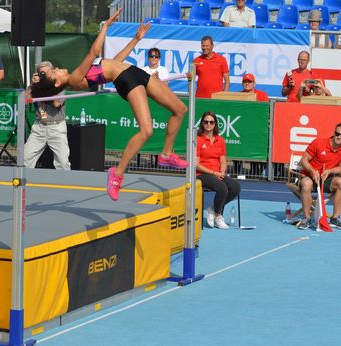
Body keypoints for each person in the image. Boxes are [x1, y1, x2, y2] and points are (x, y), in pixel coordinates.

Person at [30, 9, 188, 201]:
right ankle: (117, 173)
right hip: (127, 80)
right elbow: (94, 51)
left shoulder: (81, 73)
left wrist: (136, 39)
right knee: (146, 131)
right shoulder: (75, 77)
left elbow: (116, 62)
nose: (57, 68)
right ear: (57, 83)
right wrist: (105, 27)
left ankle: (166, 154)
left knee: (180, 109)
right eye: (55, 72)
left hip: (134, 72)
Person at [196, 111, 241, 229]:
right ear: (202, 124)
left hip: (217, 173)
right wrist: (213, 173)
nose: (208, 124)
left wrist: (222, 172)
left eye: (211, 122)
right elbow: (196, 164)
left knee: (235, 187)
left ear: (215, 124)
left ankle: (213, 209)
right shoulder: (198, 140)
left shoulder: (220, 140)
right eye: (206, 122)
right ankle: (218, 215)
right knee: (222, 188)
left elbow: (223, 161)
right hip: (202, 174)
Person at [24, 61, 71, 170]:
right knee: (25, 159)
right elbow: (25, 100)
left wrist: (45, 86)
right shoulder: (36, 86)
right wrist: (33, 85)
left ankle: (66, 185)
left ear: (52, 72)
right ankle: (23, 185)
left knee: (63, 163)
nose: (43, 76)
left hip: (56, 127)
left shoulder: (59, 84)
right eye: (41, 73)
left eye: (46, 73)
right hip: (39, 127)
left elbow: (56, 103)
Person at [296, 123, 341, 229]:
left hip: (326, 179)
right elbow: (304, 160)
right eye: (337, 133)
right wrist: (312, 171)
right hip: (310, 177)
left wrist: (330, 171)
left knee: (340, 182)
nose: (339, 136)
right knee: (306, 183)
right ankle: (306, 218)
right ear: (333, 133)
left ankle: (334, 219)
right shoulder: (319, 143)